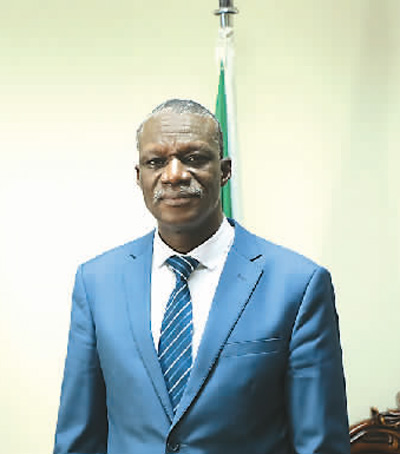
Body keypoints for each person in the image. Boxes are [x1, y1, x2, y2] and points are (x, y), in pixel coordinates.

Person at [54, 99, 350, 454]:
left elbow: (320, 445)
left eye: (193, 158)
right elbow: (79, 438)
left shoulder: (298, 285)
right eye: (156, 162)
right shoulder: (96, 283)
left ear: (224, 171)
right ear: (139, 176)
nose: (174, 174)